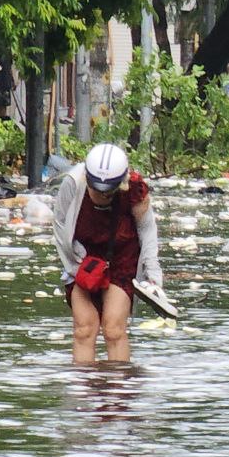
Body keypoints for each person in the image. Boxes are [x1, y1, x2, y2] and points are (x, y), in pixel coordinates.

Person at [53, 144, 163, 364]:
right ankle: (83, 392)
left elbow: (147, 231)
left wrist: (153, 275)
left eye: (109, 191)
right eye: (97, 189)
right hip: (83, 260)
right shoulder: (73, 183)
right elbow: (60, 226)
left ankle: (117, 391)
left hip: (122, 258)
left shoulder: (134, 190)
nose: (102, 195)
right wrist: (75, 267)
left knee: (113, 329)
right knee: (84, 328)